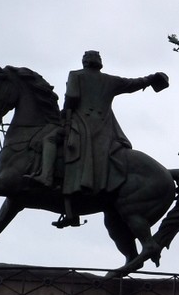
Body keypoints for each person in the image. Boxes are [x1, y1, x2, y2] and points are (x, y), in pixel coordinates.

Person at [45, 50, 168, 227]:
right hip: (105, 129)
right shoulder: (109, 80)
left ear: (84, 62)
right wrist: (151, 79)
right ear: (99, 63)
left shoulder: (75, 75)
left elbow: (72, 97)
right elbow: (132, 84)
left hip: (80, 124)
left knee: (53, 141)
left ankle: (46, 179)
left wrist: (64, 113)